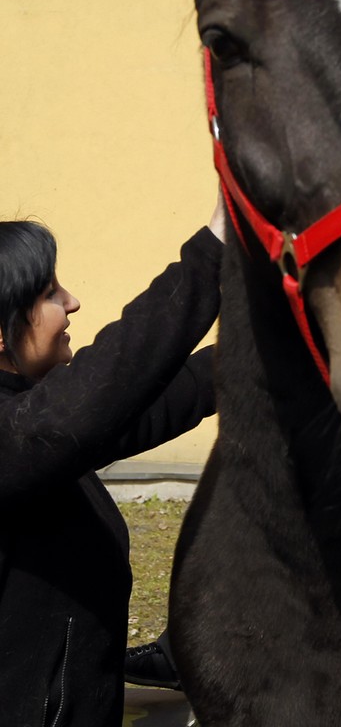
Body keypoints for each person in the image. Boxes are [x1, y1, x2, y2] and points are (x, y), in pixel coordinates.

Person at [0, 199, 223, 725]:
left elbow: (146, 405)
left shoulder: (34, 432)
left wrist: (264, 349)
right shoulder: (24, 439)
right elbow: (107, 384)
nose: (72, 302)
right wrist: (214, 248)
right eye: (50, 293)